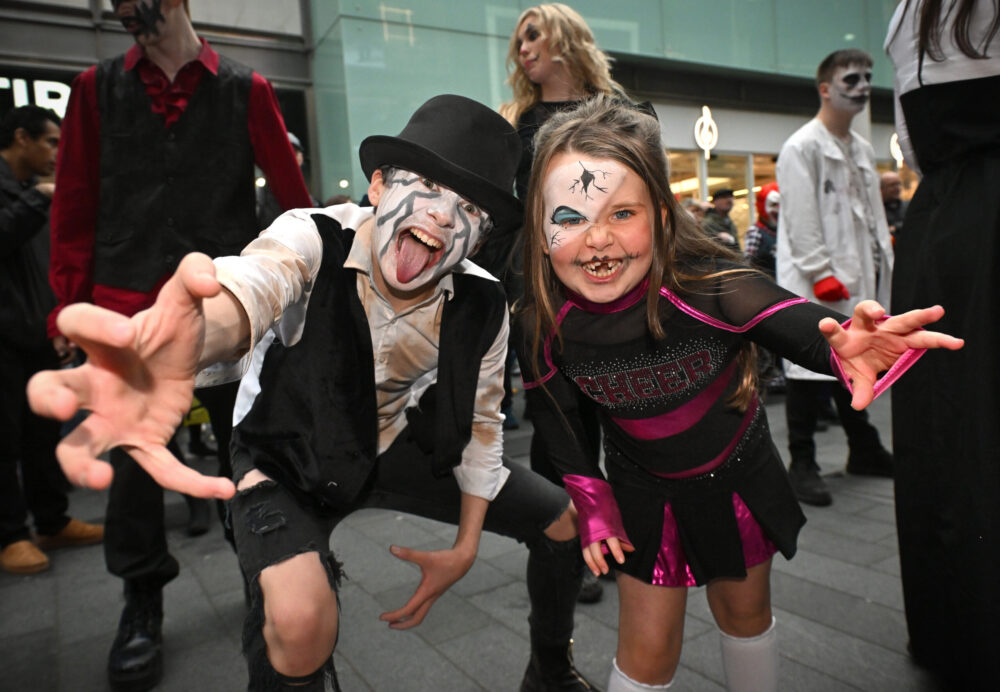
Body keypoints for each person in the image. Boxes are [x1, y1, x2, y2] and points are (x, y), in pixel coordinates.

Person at [30, 94, 596, 692]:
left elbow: (484, 429)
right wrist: (183, 341)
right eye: (425, 183)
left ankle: (551, 673)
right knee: (301, 622)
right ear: (377, 186)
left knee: (562, 520)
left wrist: (464, 546)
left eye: (471, 209)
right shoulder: (311, 236)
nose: (443, 216)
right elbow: (251, 285)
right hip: (287, 456)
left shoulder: (483, 302)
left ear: (478, 239)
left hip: (394, 442)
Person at [515, 95, 962, 692]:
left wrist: (838, 347)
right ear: (539, 233)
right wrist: (592, 499)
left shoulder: (709, 289)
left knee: (744, 618)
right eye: (569, 218)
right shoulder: (541, 323)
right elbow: (556, 418)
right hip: (641, 487)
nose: (597, 240)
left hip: (735, 474)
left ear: (664, 214)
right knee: (647, 651)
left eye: (622, 213)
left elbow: (785, 316)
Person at [47, 1, 313, 689]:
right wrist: (68, 309)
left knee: (248, 455)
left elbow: (293, 204)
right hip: (126, 310)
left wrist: (300, 298)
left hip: (220, 307)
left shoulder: (246, 89)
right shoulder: (92, 88)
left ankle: (262, 580)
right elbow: (72, 203)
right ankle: (141, 599)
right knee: (135, 472)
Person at [496, 2, 630, 603]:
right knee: (558, 416)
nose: (523, 48)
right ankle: (569, 546)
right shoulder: (516, 121)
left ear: (565, 39)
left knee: (620, 410)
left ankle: (623, 534)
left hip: (616, 278)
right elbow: (504, 210)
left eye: (533, 35)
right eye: (517, 40)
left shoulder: (622, 113)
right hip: (543, 283)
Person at [885, 2, 1000, 688]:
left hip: (938, 228)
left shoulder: (905, 12)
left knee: (943, 429)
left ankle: (953, 626)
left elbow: (909, 132)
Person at [775, 49, 896, 507]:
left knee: (855, 365)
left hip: (859, 279)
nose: (863, 86)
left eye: (867, 77)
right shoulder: (801, 147)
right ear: (825, 88)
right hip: (818, 283)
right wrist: (820, 271)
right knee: (809, 370)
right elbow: (802, 218)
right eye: (851, 79)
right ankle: (801, 462)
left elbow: (871, 219)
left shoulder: (862, 150)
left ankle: (863, 447)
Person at [0, 105, 103, 575]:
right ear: (21, 138)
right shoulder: (28, 196)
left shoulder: (30, 194)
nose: (55, 154)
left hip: (36, 331)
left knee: (42, 431)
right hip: (4, 337)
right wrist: (39, 200)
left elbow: (49, 265)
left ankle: (51, 519)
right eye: (49, 142)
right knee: (7, 437)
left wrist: (60, 320)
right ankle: (10, 535)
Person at [879, 170, 907, 242]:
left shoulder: (908, 207)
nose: (897, 188)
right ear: (881, 189)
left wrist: (895, 228)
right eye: (892, 185)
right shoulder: (877, 211)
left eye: (898, 184)